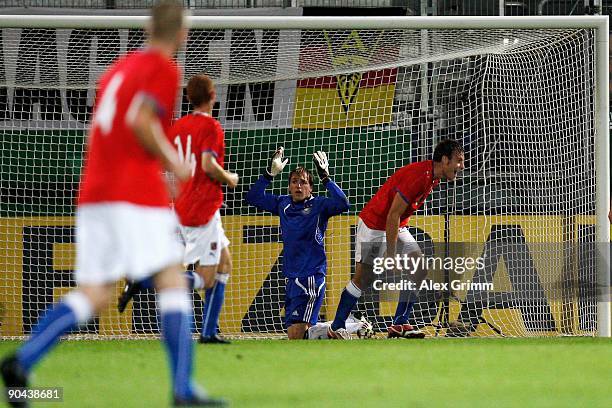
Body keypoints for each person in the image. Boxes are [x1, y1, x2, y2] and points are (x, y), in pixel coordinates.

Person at [0, 2, 225, 406]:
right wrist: (173, 164)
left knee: (94, 292)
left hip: (94, 194)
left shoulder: (118, 69)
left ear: (146, 26)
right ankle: (183, 388)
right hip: (132, 193)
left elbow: (107, 131)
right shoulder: (162, 68)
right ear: (182, 34)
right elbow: (142, 121)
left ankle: (23, 360)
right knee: (172, 282)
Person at [117, 74, 238, 345]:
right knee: (206, 279)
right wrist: (229, 178)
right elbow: (207, 165)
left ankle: (208, 332)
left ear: (188, 97)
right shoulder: (212, 127)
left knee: (225, 262)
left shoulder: (179, 127)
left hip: (182, 206)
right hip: (203, 208)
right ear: (213, 96)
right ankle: (146, 280)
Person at [327, 139, 465, 339]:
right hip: (375, 223)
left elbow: (396, 217)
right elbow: (392, 215)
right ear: (445, 160)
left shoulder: (432, 176)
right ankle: (336, 326)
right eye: (458, 161)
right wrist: (391, 255)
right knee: (363, 278)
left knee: (418, 267)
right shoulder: (419, 177)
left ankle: (399, 323)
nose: (462, 166)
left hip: (396, 224)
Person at [245, 148, 354, 339]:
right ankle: (345, 326)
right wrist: (269, 174)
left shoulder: (319, 205)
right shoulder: (283, 204)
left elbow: (343, 204)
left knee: (297, 335)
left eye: (303, 182)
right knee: (295, 336)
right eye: (294, 182)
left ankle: (348, 327)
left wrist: (325, 177)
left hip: (310, 276)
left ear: (311, 188)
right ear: (288, 186)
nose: (298, 186)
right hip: (291, 277)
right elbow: (252, 198)